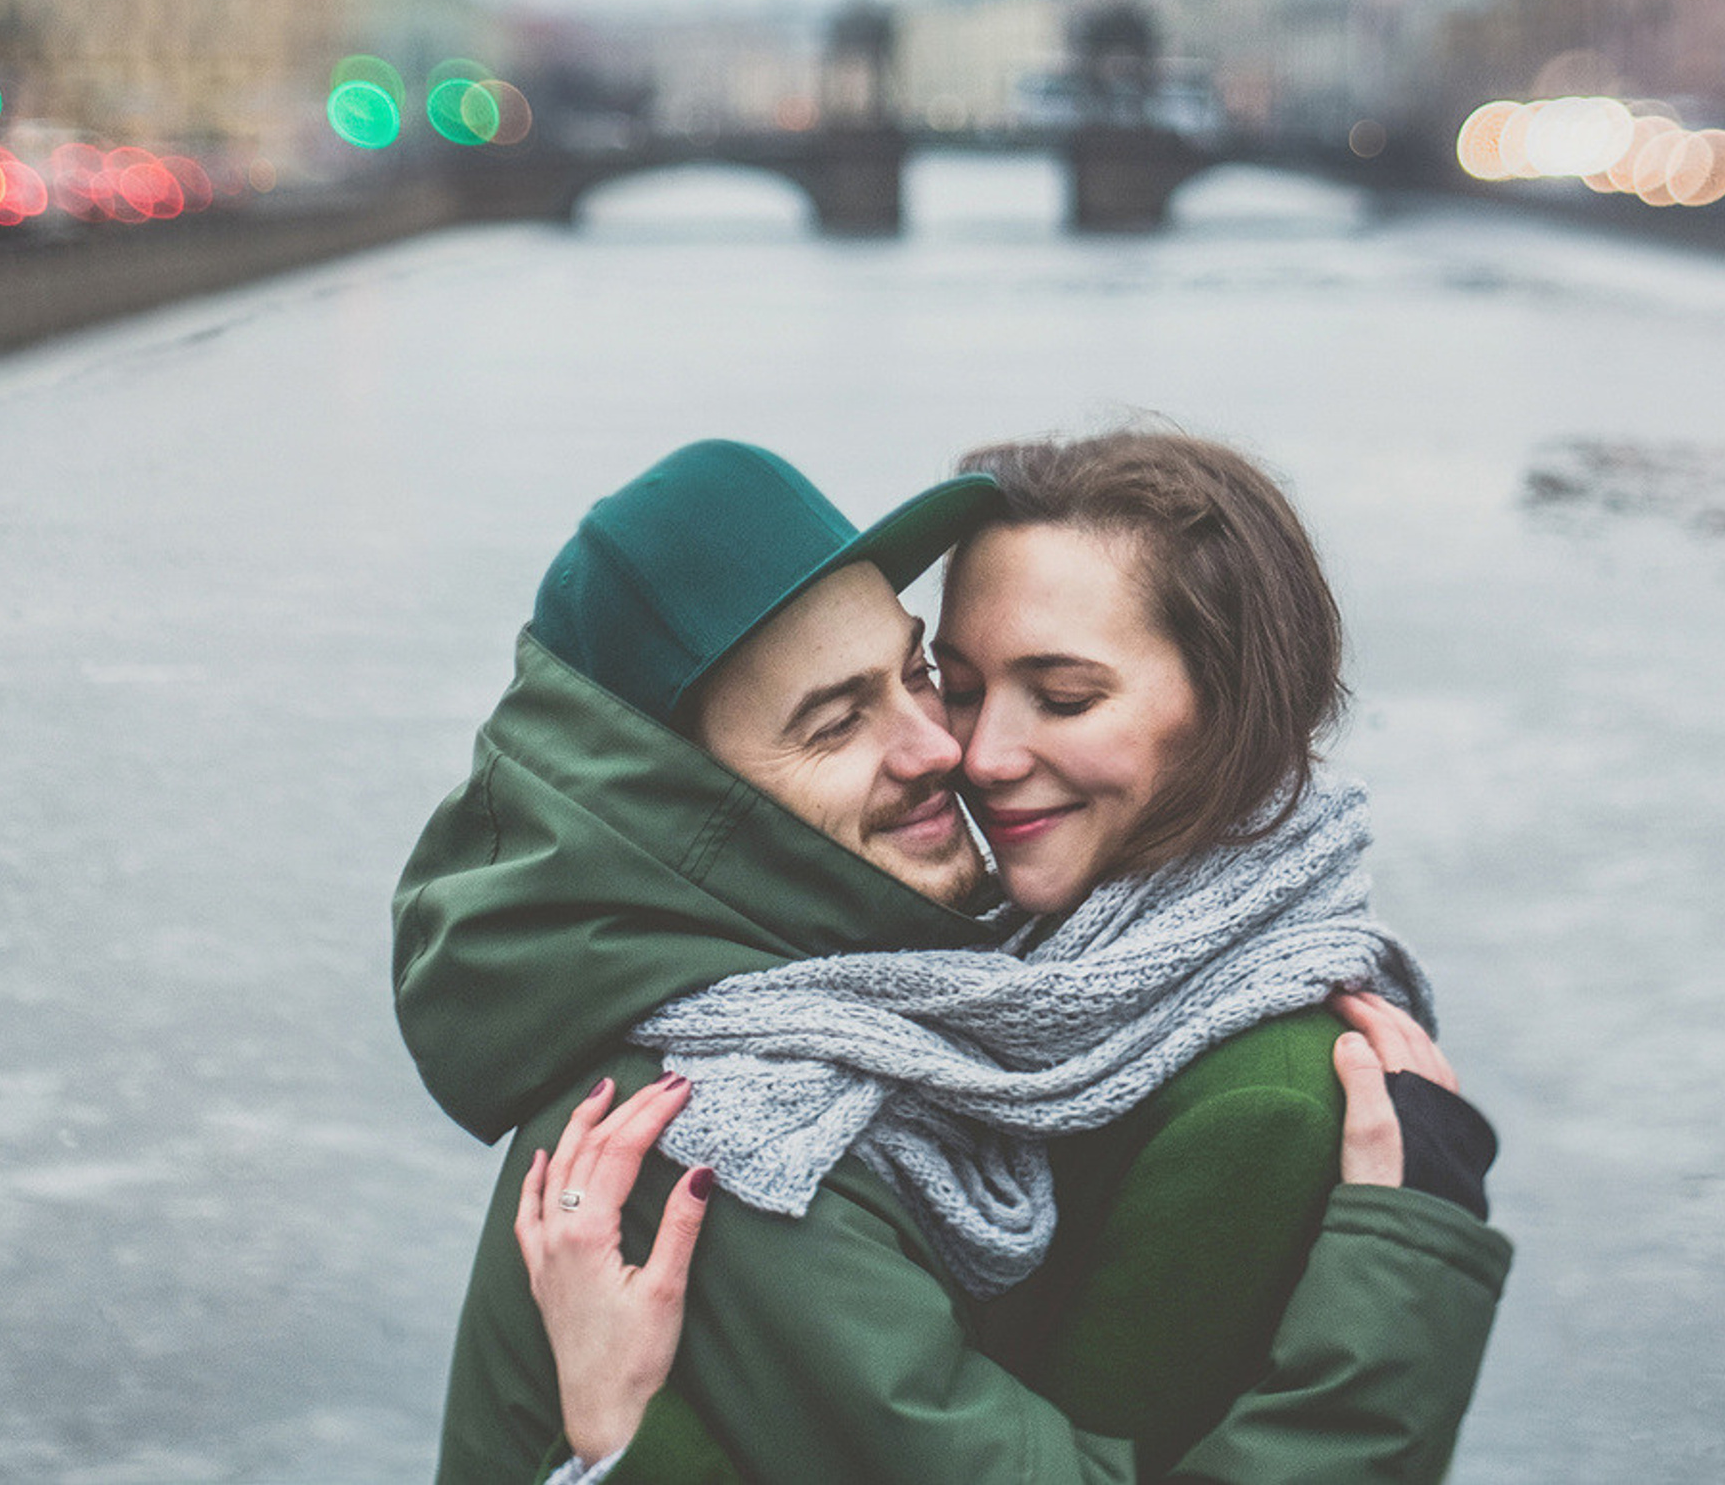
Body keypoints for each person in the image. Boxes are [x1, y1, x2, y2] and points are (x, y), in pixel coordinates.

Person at [396, 435, 1508, 1484]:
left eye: (920, 675)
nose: (955, 751)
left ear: (1234, 704)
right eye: (837, 723)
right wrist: (1404, 1282)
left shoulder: (980, 1023)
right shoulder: (729, 1125)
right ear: (684, 802)